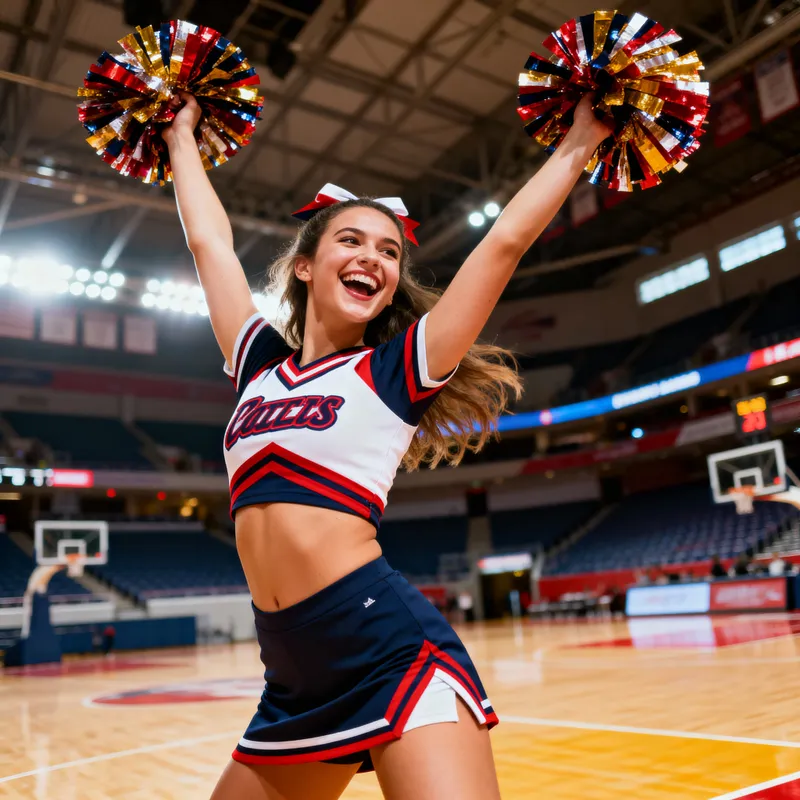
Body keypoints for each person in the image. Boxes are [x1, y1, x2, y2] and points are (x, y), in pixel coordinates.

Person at [164, 91, 612, 800]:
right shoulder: (257, 363)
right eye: (351, 241)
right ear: (306, 265)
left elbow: (503, 243)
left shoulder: (397, 369)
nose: (372, 257)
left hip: (389, 650)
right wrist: (180, 135)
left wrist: (580, 140)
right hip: (292, 674)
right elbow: (209, 244)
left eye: (389, 251)